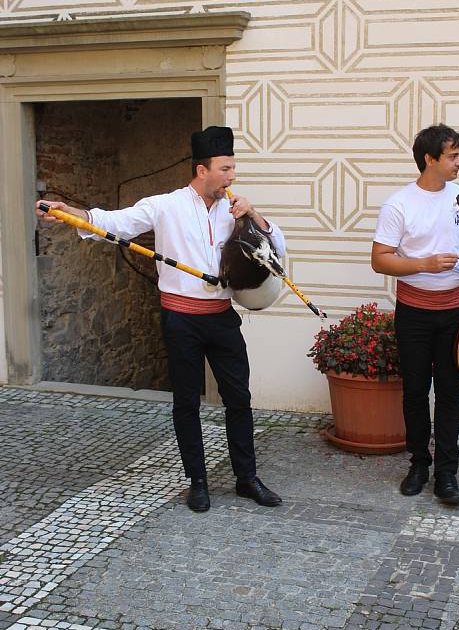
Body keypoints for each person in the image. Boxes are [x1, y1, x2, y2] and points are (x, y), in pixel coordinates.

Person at [35, 125, 285, 513]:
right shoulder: (166, 205)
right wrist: (75, 215)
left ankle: (246, 478)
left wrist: (253, 214)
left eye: (233, 168)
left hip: (222, 317)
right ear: (202, 170)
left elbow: (275, 247)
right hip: (180, 320)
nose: (231, 177)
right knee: (186, 402)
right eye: (225, 169)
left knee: (239, 398)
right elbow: (115, 223)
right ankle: (197, 481)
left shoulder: (233, 209)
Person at [371, 124, 459, 505]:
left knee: (452, 393)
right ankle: (419, 463)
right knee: (416, 392)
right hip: (415, 314)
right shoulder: (399, 204)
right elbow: (380, 260)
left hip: (456, 315)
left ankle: (447, 474)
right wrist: (424, 264)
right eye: (453, 155)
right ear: (429, 159)